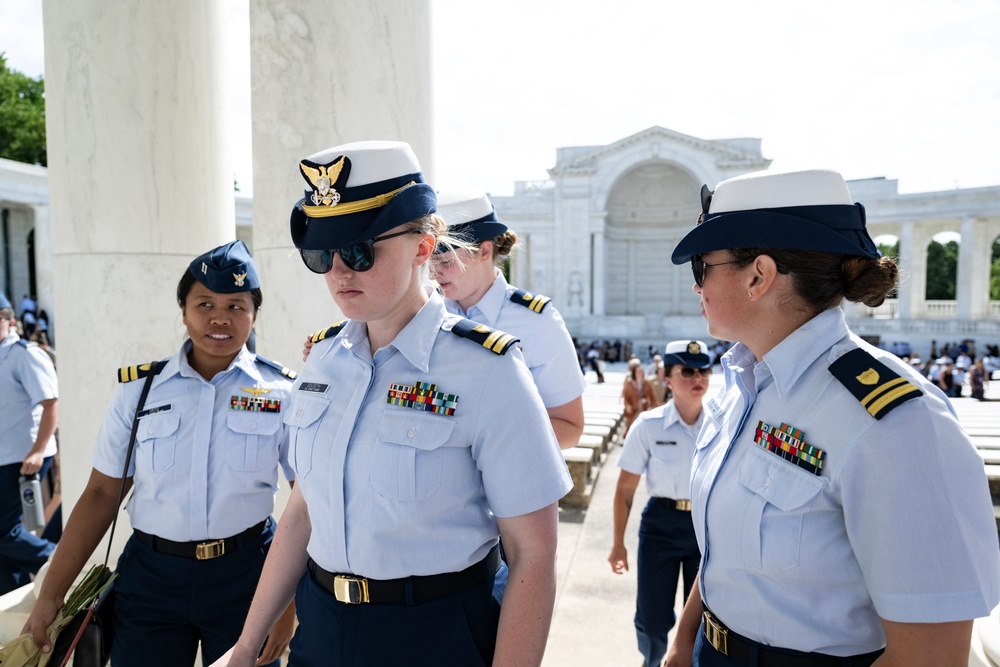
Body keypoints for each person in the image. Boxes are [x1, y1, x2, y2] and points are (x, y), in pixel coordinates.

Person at [217, 141, 571, 667]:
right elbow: (302, 510)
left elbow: (533, 554)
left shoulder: (489, 370)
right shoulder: (322, 361)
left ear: (424, 246)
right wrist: (247, 645)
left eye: (359, 250)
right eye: (321, 254)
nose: (339, 272)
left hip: (434, 633)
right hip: (323, 628)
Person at [663, 169, 1000, 667]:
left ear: (759, 275)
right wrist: (683, 642)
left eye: (702, 266)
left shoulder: (897, 423)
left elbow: (930, 653)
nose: (697, 286)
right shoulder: (743, 385)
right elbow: (726, 550)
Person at [24, 241, 297, 666]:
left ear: (255, 314)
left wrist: (289, 603)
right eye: (204, 303)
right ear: (183, 310)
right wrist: (50, 596)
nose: (220, 318)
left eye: (236, 306)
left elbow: (310, 499)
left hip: (248, 577)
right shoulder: (140, 390)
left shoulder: (282, 393)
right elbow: (100, 494)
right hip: (152, 580)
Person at [429, 191, 586, 448]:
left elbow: (570, 426)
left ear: (484, 251)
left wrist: (485, 446)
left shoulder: (539, 322)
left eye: (446, 261)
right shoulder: (428, 314)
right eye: (430, 263)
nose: (435, 274)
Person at [608, 340, 710, 667]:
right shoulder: (648, 427)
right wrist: (617, 544)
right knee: (651, 622)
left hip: (705, 529)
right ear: (666, 378)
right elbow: (626, 487)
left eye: (703, 370)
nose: (699, 377)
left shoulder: (722, 426)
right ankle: (652, 662)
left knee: (704, 621)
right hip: (660, 526)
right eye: (688, 371)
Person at [0, 290, 58, 596]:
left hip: (22, 457)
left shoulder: (25, 354)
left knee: (3, 533)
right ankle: (11, 595)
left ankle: (61, 559)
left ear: (9, 321)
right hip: (4, 456)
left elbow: (50, 404)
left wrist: (37, 451)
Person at [622, 357, 657, 435]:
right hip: (633, 408)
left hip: (644, 408)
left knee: (644, 430)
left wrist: (652, 406)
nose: (639, 373)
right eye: (637, 371)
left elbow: (652, 396)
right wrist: (627, 405)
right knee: (631, 428)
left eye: (640, 371)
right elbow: (625, 395)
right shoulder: (630, 383)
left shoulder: (647, 383)